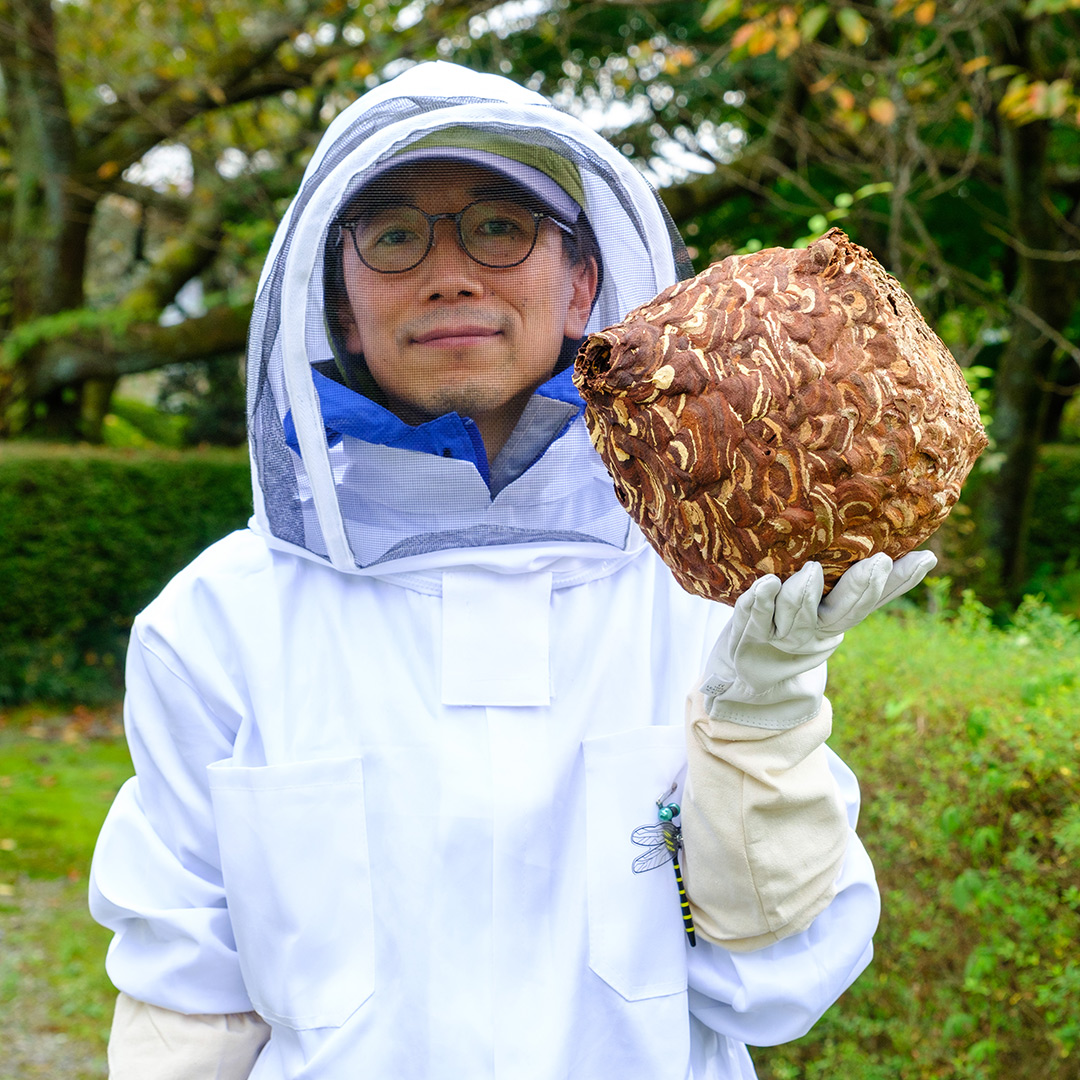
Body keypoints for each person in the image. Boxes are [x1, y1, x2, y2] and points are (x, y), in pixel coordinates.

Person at [89, 61, 935, 1080]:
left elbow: (777, 985)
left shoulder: (703, 593)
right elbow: (188, 1012)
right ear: (342, 307)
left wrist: (763, 721)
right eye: (395, 235)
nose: (450, 272)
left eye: (500, 226)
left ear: (584, 283)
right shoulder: (219, 623)